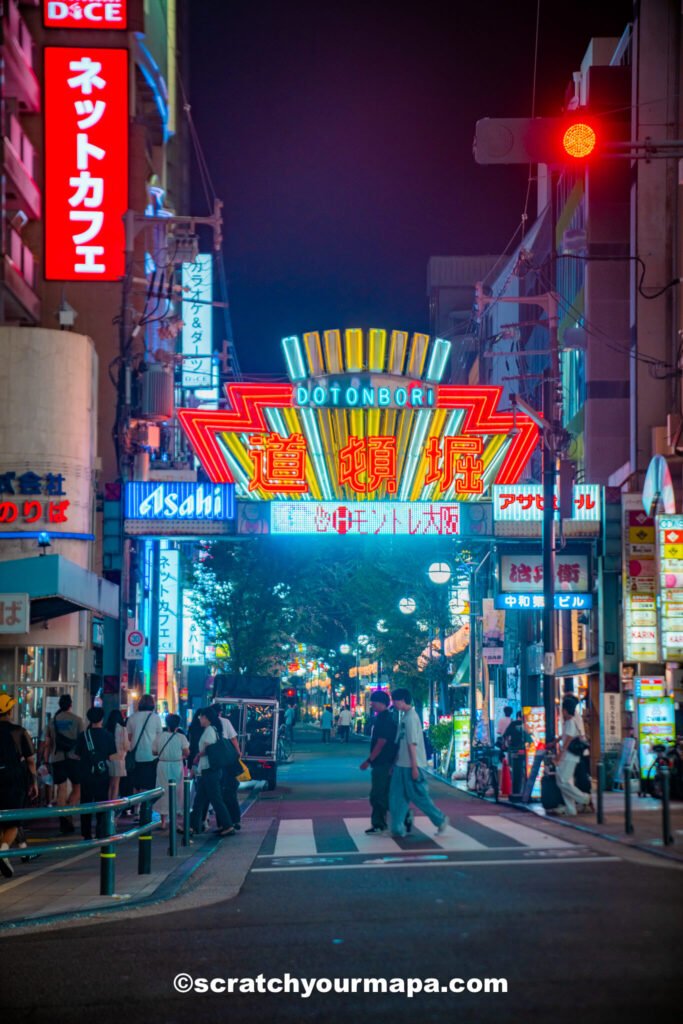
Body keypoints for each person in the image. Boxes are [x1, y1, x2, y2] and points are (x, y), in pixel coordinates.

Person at [389, 687, 449, 837]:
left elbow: (412, 744)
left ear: (402, 700)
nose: (393, 704)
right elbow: (402, 743)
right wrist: (395, 762)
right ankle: (397, 828)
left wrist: (414, 767)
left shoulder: (411, 718)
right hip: (402, 764)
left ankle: (440, 819)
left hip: (410, 765)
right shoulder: (405, 717)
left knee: (418, 797)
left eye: (395, 701)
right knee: (398, 797)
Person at [0, 694, 38, 878]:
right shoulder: (19, 732)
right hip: (14, 777)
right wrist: (33, 782)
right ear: (10, 711)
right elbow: (30, 761)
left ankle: (5, 854)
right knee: (14, 820)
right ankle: (3, 850)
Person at [190, 707, 235, 837]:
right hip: (208, 770)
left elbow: (209, 749)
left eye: (201, 717)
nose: (200, 719)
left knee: (215, 799)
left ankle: (228, 825)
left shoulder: (209, 730)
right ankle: (192, 826)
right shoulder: (212, 729)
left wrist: (198, 755)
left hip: (210, 770)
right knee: (199, 800)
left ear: (206, 718)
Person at [74, 707, 118, 841]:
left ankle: (86, 833)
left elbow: (77, 755)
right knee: (102, 802)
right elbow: (111, 756)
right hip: (101, 774)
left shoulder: (83, 735)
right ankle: (100, 830)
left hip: (86, 774)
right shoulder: (107, 735)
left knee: (86, 803)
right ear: (101, 719)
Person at [360, 691, 399, 833]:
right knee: (382, 794)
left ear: (382, 703)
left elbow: (381, 742)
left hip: (383, 762)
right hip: (385, 762)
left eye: (374, 702)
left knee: (378, 795)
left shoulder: (384, 720)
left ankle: (400, 816)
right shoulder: (386, 718)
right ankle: (380, 822)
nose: (372, 705)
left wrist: (369, 760)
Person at [46, 694, 83, 835]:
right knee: (77, 788)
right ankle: (69, 813)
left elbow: (48, 742)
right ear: (70, 705)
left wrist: (45, 760)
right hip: (74, 758)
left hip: (57, 758)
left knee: (61, 789)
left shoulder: (53, 720)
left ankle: (63, 819)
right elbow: (82, 740)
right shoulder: (77, 720)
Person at [551, 695, 593, 817]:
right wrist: (557, 741)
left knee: (562, 781)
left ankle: (584, 798)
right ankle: (571, 809)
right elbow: (566, 737)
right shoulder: (570, 721)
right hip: (571, 756)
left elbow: (568, 741)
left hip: (569, 756)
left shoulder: (570, 722)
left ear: (565, 710)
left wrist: (559, 756)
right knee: (563, 780)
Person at [152, 714, 189, 830]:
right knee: (177, 792)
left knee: (163, 791)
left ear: (167, 723)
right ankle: (175, 821)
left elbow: (154, 752)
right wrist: (180, 756)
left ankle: (163, 821)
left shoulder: (159, 736)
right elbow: (187, 752)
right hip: (176, 765)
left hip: (162, 765)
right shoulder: (181, 737)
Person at [212, 704, 243, 831]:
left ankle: (222, 823)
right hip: (229, 761)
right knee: (231, 792)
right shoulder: (225, 721)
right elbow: (233, 739)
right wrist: (238, 753)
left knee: (219, 793)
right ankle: (235, 820)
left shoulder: (210, 724)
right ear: (220, 712)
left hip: (216, 761)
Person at [126, 693, 163, 792]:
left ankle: (136, 801)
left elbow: (129, 737)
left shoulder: (132, 717)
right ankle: (145, 801)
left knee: (136, 784)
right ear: (152, 704)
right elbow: (159, 737)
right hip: (151, 756)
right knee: (148, 785)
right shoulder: (156, 718)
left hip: (136, 756)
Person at [105, 709, 130, 801]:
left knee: (110, 784)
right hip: (119, 759)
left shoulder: (106, 729)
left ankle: (108, 803)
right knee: (116, 784)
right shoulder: (123, 729)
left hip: (108, 759)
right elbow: (126, 746)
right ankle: (113, 804)